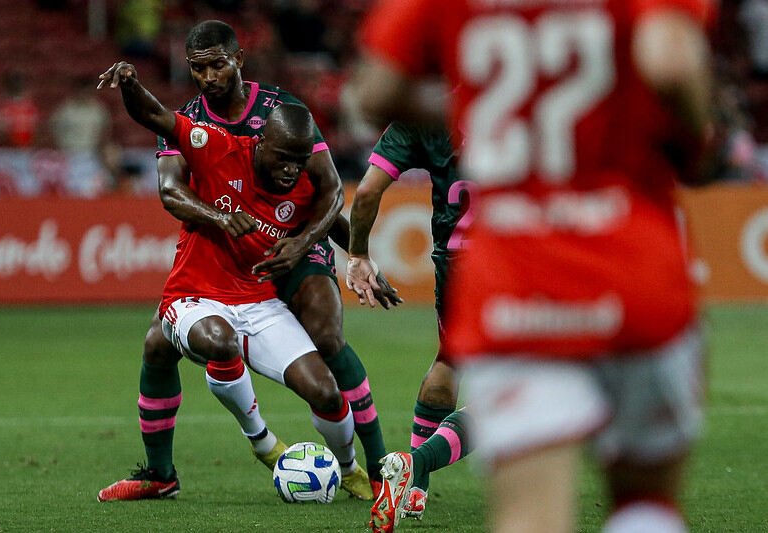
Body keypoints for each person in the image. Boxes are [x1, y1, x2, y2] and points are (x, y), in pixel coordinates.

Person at [354, 1, 714, 532]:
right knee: (647, 499)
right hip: (630, 263)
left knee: (529, 512)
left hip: (514, 276)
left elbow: (373, 93)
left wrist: (476, 105)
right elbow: (673, 63)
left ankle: (416, 473)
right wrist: (694, 141)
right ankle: (419, 471)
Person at [98, 20, 385, 502]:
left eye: (217, 64)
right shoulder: (211, 139)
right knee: (164, 344)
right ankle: (217, 458)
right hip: (212, 269)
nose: (208, 76)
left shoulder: (284, 116)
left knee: (328, 351)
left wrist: (355, 255)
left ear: (239, 59)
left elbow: (328, 194)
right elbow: (167, 173)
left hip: (288, 253)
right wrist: (215, 215)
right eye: (198, 68)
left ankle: (369, 469)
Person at [346, 121, 472, 522]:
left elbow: (365, 191)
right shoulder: (519, 96)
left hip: (457, 262)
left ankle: (414, 493)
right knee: (523, 391)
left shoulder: (422, 112)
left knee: (448, 362)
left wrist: (358, 256)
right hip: (516, 255)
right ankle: (415, 465)